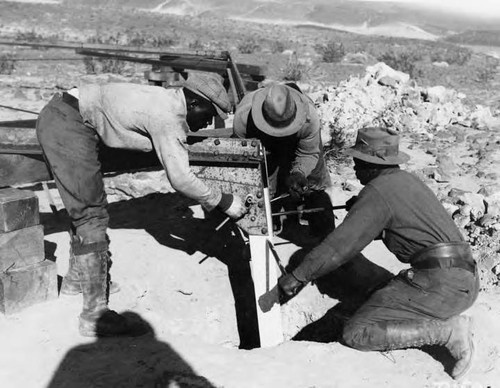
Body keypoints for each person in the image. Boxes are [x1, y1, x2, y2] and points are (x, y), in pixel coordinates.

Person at [36, 72, 248, 337]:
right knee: (91, 214)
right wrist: (223, 201)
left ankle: (78, 280)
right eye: (210, 112)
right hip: (67, 122)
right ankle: (94, 315)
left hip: (67, 114)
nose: (210, 121)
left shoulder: (166, 101)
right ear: (194, 102)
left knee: (80, 199)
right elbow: (180, 179)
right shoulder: (166, 116)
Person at [278, 127, 479, 380]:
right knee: (376, 291)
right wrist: (363, 210)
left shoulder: (378, 192)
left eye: (358, 162)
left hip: (441, 286)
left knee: (356, 332)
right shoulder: (405, 181)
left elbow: (338, 248)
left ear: (372, 164)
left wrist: (298, 276)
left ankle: (448, 332)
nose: (354, 168)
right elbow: (402, 226)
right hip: (463, 281)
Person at [233, 83, 335, 242]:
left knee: (313, 180)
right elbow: (246, 162)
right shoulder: (244, 117)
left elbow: (308, 153)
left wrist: (298, 173)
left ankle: (325, 235)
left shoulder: (309, 117)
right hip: (263, 142)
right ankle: (269, 221)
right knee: (265, 181)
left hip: (300, 138)